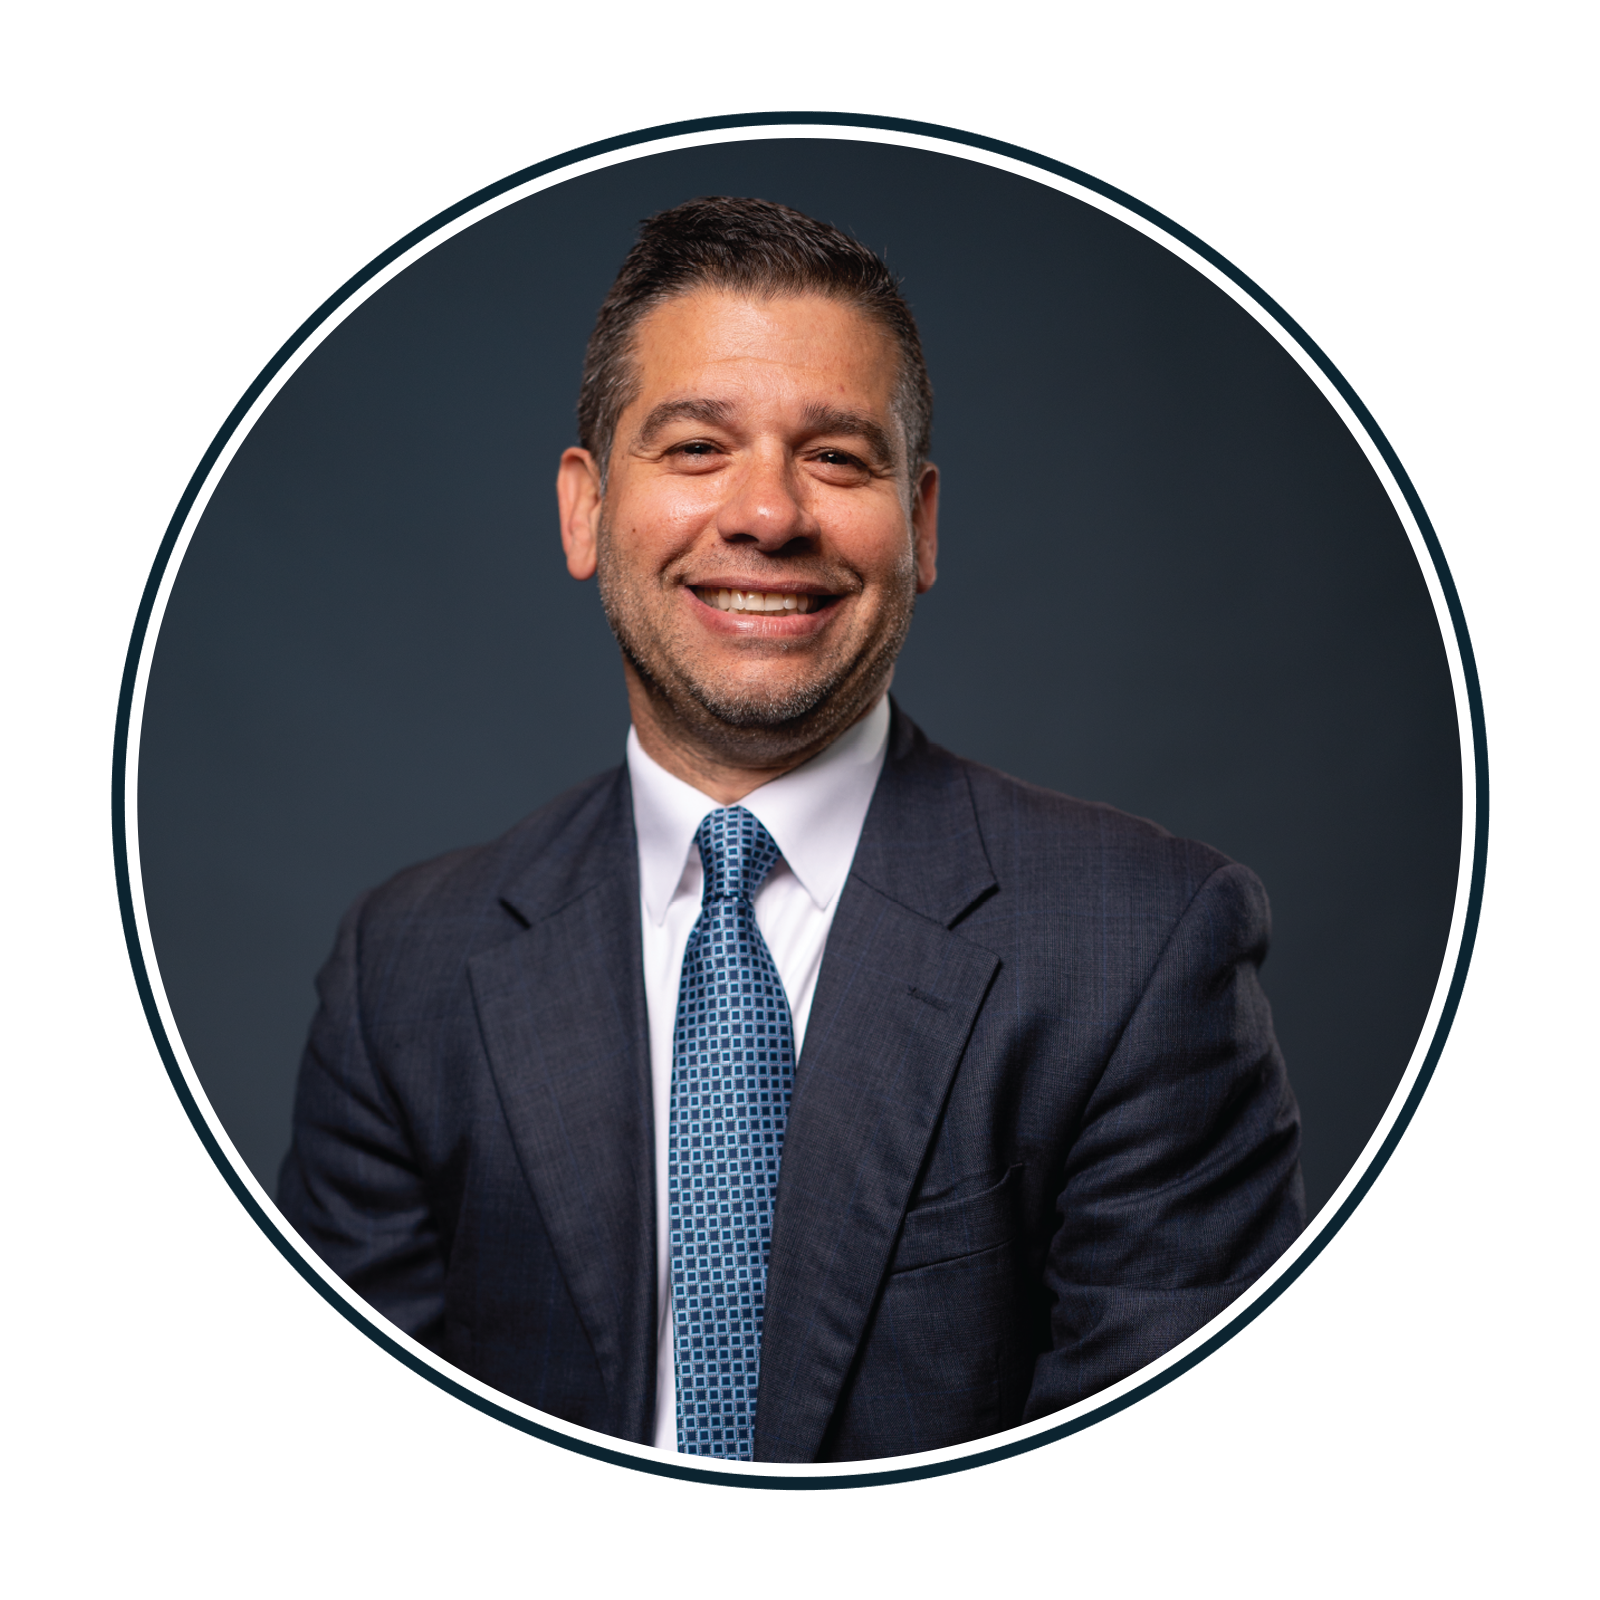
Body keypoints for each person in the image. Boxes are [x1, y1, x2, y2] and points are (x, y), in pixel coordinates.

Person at [278, 196, 1305, 1466]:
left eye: (836, 457)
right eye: (696, 447)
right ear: (585, 510)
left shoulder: (1142, 947)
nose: (768, 514)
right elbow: (357, 1475)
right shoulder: (403, 970)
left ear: (920, 524)